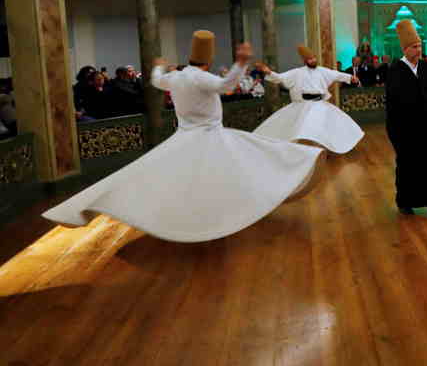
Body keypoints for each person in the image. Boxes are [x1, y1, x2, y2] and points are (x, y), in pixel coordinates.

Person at [43, 31, 322, 242]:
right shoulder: (200, 78)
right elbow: (226, 85)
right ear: (208, 60)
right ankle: (217, 214)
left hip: (184, 135)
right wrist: (240, 63)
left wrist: (158, 66)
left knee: (173, 179)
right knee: (254, 160)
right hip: (210, 137)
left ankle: (196, 213)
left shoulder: (175, 77)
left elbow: (155, 81)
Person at [386, 20, 427, 219]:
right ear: (405, 49)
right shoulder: (395, 71)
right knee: (408, 168)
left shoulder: (426, 68)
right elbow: (395, 104)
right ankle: (405, 202)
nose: (418, 50)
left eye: (420, 46)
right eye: (414, 47)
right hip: (406, 132)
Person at [254, 45, 364, 154]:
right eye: (310, 59)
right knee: (302, 129)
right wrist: (268, 71)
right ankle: (308, 151)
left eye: (314, 58)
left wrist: (350, 78)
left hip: (320, 104)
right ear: (305, 61)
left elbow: (336, 75)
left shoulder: (322, 71)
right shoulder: (297, 72)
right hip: (304, 104)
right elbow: (280, 78)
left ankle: (328, 147)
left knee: (337, 123)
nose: (313, 60)